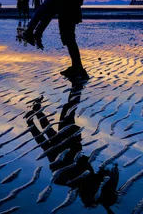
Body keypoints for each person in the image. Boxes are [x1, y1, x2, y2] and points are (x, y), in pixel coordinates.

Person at [25, 84, 119, 213]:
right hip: (65, 160)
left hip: (65, 161)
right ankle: (35, 113)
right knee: (48, 137)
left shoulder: (90, 184)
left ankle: (35, 114)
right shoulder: (90, 185)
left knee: (49, 137)